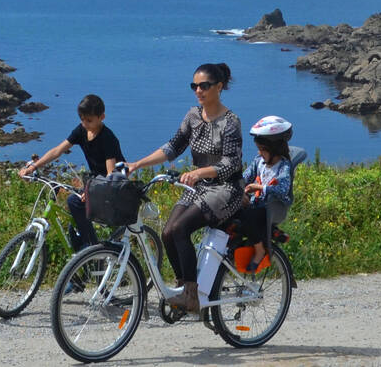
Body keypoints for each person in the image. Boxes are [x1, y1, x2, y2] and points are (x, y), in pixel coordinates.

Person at [123, 63, 242, 313]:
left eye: (204, 86)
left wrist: (199, 172)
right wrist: (137, 164)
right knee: (167, 233)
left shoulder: (231, 122)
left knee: (180, 228)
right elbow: (172, 148)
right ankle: (182, 288)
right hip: (198, 187)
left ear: (219, 87)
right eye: (194, 86)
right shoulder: (193, 116)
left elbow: (232, 164)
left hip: (224, 189)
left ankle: (192, 296)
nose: (198, 90)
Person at [18, 94, 124, 251]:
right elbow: (58, 150)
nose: (85, 123)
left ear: (102, 117)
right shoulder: (82, 130)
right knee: (74, 227)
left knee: (74, 202)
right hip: (96, 182)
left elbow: (111, 174)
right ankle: (82, 263)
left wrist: (93, 191)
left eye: (89, 120)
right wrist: (34, 166)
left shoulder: (107, 138)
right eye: (82, 119)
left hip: (113, 185)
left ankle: (93, 252)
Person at [231, 115, 295, 273]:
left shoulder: (283, 167)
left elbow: (282, 190)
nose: (259, 153)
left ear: (275, 150)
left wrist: (259, 187)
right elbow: (245, 178)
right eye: (258, 149)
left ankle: (259, 250)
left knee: (248, 217)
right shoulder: (259, 161)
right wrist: (239, 188)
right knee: (232, 212)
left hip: (272, 208)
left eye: (263, 150)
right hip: (256, 205)